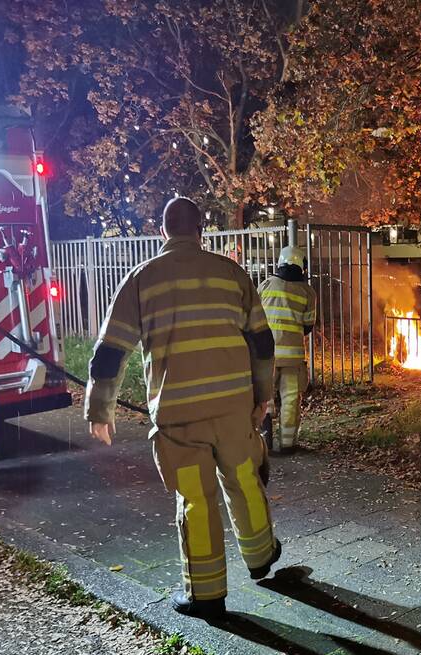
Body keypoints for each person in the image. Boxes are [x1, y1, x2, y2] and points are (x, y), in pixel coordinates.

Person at [85, 197, 280, 620]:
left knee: (195, 498)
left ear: (163, 232)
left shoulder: (141, 279)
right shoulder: (232, 274)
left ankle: (207, 594)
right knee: (244, 479)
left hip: (179, 415)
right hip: (233, 406)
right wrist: (262, 395)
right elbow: (262, 342)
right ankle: (262, 555)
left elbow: (110, 351)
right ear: (201, 231)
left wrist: (100, 410)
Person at [258, 246, 317, 454]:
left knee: (265, 397)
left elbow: (254, 318)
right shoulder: (307, 292)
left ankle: (264, 440)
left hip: (266, 355)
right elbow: (308, 326)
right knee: (291, 399)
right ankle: (288, 444)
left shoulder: (266, 285)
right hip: (292, 358)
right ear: (302, 266)